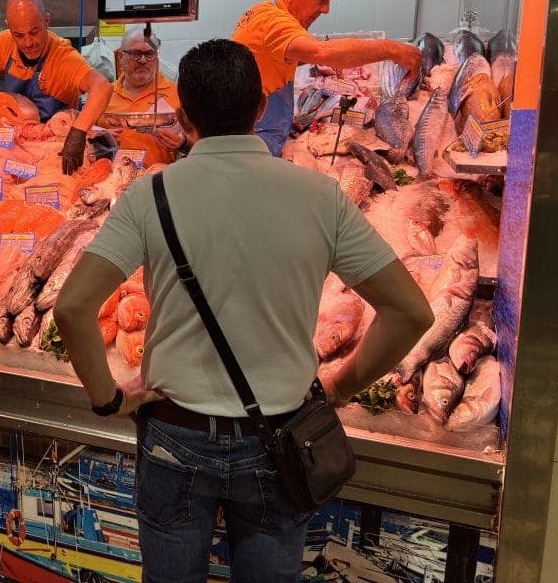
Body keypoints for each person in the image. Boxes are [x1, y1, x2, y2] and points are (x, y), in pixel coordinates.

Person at [53, 39, 433, 583]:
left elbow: (72, 306)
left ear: (182, 117)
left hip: (173, 435)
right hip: (280, 437)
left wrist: (108, 399)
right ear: (260, 108)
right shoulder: (319, 196)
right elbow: (410, 312)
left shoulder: (148, 195)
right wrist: (339, 388)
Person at [231, 0, 422, 156]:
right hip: (252, 141)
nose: (326, 10)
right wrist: (392, 49)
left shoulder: (263, 10)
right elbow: (320, 52)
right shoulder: (274, 22)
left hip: (262, 132)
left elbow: (276, 57)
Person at [0, 0, 112, 174]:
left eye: (34, 32)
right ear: (9, 28)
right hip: (11, 148)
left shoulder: (63, 57)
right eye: (19, 35)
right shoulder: (4, 42)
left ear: (47, 21)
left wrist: (78, 132)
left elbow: (102, 86)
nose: (28, 43)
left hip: (53, 153)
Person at [100, 26, 187, 166]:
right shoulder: (103, 93)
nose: (142, 60)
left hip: (158, 181)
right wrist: (99, 138)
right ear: (121, 57)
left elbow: (201, 145)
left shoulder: (179, 94)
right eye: (135, 53)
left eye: (149, 54)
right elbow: (83, 139)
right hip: (109, 182)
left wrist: (183, 143)